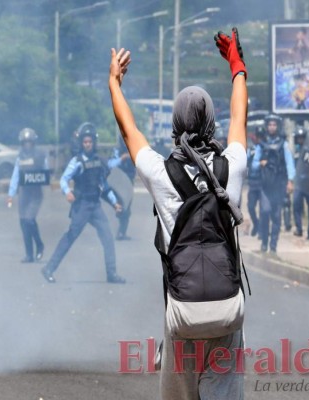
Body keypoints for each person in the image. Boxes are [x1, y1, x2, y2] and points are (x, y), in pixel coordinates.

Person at [109, 26, 247, 399]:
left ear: (174, 126)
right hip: (227, 311)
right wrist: (237, 66)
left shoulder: (159, 173)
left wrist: (115, 85)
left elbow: (129, 130)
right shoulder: (231, 167)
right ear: (210, 123)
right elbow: (239, 119)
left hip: (182, 314)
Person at [41, 123, 125, 284]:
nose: (87, 144)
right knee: (71, 236)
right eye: (85, 142)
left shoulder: (99, 161)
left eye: (90, 142)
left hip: (95, 206)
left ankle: (111, 273)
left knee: (108, 237)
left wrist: (115, 203)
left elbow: (104, 185)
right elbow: (64, 179)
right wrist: (67, 192)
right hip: (82, 205)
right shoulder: (77, 161)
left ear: (94, 143)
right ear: (81, 143)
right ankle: (48, 268)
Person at [252, 114, 295, 254]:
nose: (272, 127)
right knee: (264, 212)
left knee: (276, 216)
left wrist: (290, 181)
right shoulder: (261, 144)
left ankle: (273, 246)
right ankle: (264, 242)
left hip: (279, 184)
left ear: (278, 126)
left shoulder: (284, 144)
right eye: (269, 124)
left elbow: (290, 163)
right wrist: (260, 163)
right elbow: (253, 165)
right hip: (265, 185)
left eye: (274, 125)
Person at [7, 128, 47, 263]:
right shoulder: (20, 157)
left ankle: (40, 244)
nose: (27, 145)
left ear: (34, 142)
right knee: (23, 222)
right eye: (25, 142)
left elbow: (46, 171)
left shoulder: (40, 156)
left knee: (30, 219)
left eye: (29, 142)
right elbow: (15, 175)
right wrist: (11, 193)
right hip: (24, 192)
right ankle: (29, 254)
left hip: (35, 193)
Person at [108, 141, 136, 240]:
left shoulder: (134, 149)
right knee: (120, 207)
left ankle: (122, 232)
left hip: (129, 181)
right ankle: (116, 231)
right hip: (119, 182)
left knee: (127, 209)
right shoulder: (117, 151)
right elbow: (110, 164)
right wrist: (122, 158)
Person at [292, 126, 309, 240]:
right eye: (299, 138)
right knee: (296, 204)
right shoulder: (295, 150)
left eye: (303, 138)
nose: (301, 140)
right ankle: (299, 228)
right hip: (299, 183)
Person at [246, 126, 264, 237]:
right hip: (252, 182)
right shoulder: (251, 150)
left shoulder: (266, 149)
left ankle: (262, 229)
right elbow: (247, 163)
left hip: (262, 182)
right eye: (258, 137)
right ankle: (256, 224)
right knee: (251, 206)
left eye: (261, 137)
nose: (260, 139)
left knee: (263, 208)